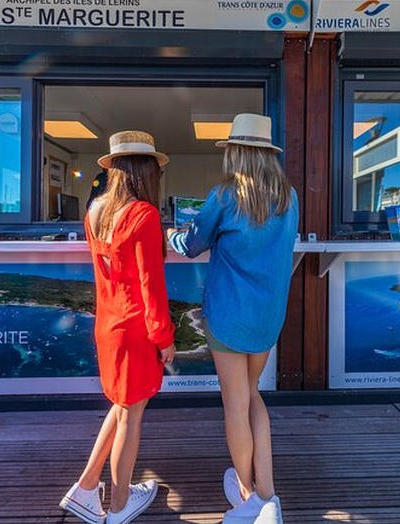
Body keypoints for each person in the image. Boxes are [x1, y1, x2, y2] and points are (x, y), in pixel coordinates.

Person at [166, 113, 299, 524]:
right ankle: (268, 494)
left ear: (236, 153)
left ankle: (248, 498)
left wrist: (170, 233)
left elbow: (190, 245)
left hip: (227, 315)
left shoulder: (225, 196)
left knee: (235, 404)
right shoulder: (288, 197)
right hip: (266, 317)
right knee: (253, 396)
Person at [60, 130, 177, 524]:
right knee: (131, 416)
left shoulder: (94, 211)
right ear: (145, 171)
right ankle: (120, 504)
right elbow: (151, 286)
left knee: (122, 406)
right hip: (136, 329)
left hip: (108, 325)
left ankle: (87, 487)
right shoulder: (144, 215)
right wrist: (165, 338)